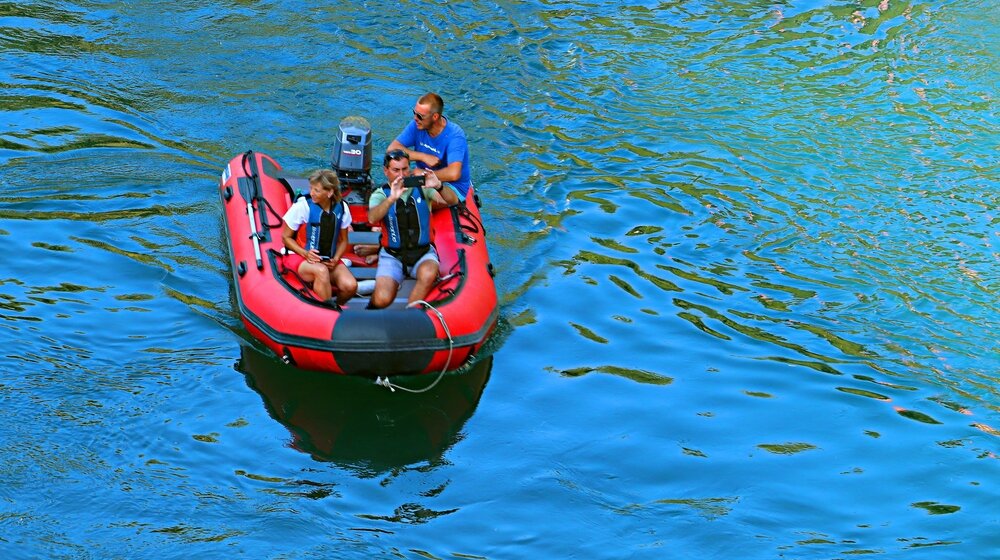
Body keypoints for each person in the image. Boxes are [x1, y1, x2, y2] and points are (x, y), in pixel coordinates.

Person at [367, 149, 458, 309]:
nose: (401, 174)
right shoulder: (380, 195)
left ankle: (411, 313)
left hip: (422, 253)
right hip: (392, 256)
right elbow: (372, 217)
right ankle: (370, 312)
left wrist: (439, 186)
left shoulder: (423, 188)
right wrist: (391, 199)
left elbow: (452, 201)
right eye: (396, 170)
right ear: (386, 171)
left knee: (429, 273)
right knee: (382, 299)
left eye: (405, 169)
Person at [281, 169, 358, 305]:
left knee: (350, 286)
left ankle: (336, 307)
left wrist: (336, 258)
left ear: (329, 192)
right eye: (311, 188)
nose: (312, 193)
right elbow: (286, 238)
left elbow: (343, 240)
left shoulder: (342, 208)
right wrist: (306, 254)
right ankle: (329, 311)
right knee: (321, 271)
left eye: (316, 190)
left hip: (328, 259)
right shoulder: (303, 206)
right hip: (300, 257)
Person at [385, 92, 472, 201]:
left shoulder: (455, 136)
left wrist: (423, 175)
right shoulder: (417, 125)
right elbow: (391, 150)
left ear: (435, 117)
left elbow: (454, 173)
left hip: (451, 187)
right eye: (414, 113)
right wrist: (423, 157)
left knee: (410, 200)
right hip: (421, 180)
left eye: (420, 116)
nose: (415, 118)